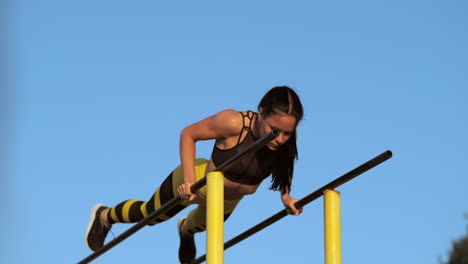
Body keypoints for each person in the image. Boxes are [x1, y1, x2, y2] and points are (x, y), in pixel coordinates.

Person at [84, 86, 304, 263]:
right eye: (274, 130)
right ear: (261, 112)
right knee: (150, 215)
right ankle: (105, 215)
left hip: (226, 201)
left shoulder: (285, 140)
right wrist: (189, 180)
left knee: (200, 226)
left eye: (288, 132)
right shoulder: (233, 122)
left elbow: (285, 168)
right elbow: (188, 134)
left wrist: (286, 197)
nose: (280, 138)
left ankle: (185, 230)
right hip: (196, 181)